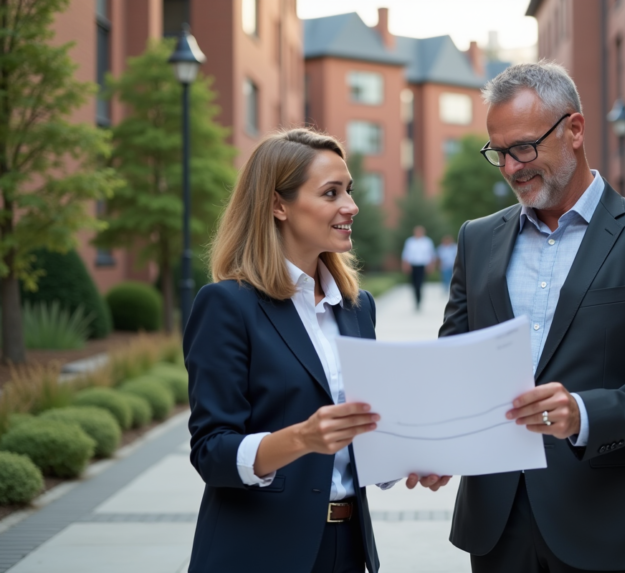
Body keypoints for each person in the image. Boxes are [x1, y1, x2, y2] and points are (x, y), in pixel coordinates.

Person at [439, 62, 625, 573]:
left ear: (575, 129)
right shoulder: (476, 238)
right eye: (498, 153)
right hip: (496, 524)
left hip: (608, 520)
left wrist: (583, 413)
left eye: (524, 147)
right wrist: (431, 443)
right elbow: (455, 363)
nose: (512, 167)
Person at [184, 129, 447, 573]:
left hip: (348, 548)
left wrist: (412, 459)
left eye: (349, 190)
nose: (351, 205)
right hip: (256, 552)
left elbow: (363, 439)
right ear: (278, 204)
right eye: (331, 192)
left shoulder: (358, 309)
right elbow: (212, 452)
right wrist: (302, 439)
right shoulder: (228, 305)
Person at [401, 225, 436, 310]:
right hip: (413, 265)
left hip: (423, 265)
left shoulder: (427, 241)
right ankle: (416, 300)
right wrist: (405, 265)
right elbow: (406, 254)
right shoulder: (410, 241)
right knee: (414, 284)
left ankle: (419, 300)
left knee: (420, 283)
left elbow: (431, 254)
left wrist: (431, 265)